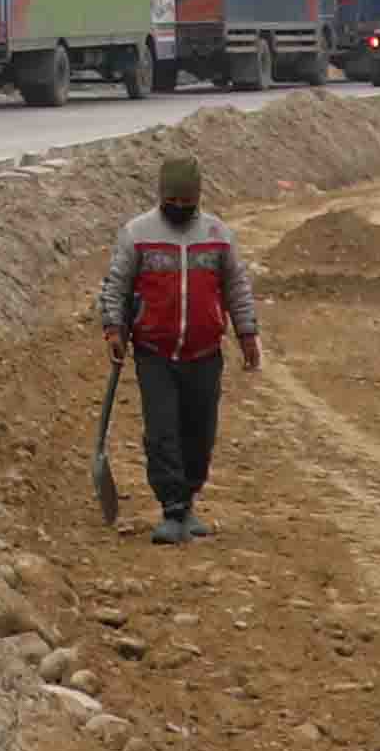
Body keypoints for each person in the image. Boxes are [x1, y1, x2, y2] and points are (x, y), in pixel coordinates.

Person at [99, 151, 266, 544]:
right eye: (170, 201)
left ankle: (189, 499)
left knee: (199, 433)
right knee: (162, 432)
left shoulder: (218, 236)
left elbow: (237, 288)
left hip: (205, 352)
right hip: (155, 351)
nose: (177, 208)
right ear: (160, 196)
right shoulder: (137, 234)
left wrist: (247, 334)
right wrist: (113, 329)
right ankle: (171, 509)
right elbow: (115, 286)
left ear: (197, 197)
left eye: (185, 202)